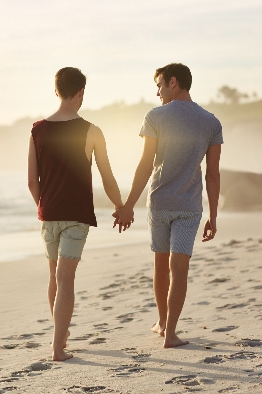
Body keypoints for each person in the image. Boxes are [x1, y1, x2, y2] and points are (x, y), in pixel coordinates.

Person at [113, 63, 223, 348]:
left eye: (160, 85)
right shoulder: (210, 121)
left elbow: (145, 165)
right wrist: (213, 214)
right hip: (189, 206)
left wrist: (128, 206)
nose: (158, 92)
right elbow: (213, 174)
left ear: (173, 82)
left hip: (159, 203)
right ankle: (171, 333)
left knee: (161, 266)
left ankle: (162, 324)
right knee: (180, 268)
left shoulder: (155, 117)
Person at [28, 67, 124, 361]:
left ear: (56, 90)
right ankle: (58, 348)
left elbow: (32, 182)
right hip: (76, 215)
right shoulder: (91, 131)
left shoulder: (37, 129)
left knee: (54, 277)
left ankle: (61, 335)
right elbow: (107, 177)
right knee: (66, 278)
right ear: (81, 92)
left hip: (49, 214)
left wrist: (43, 207)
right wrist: (120, 206)